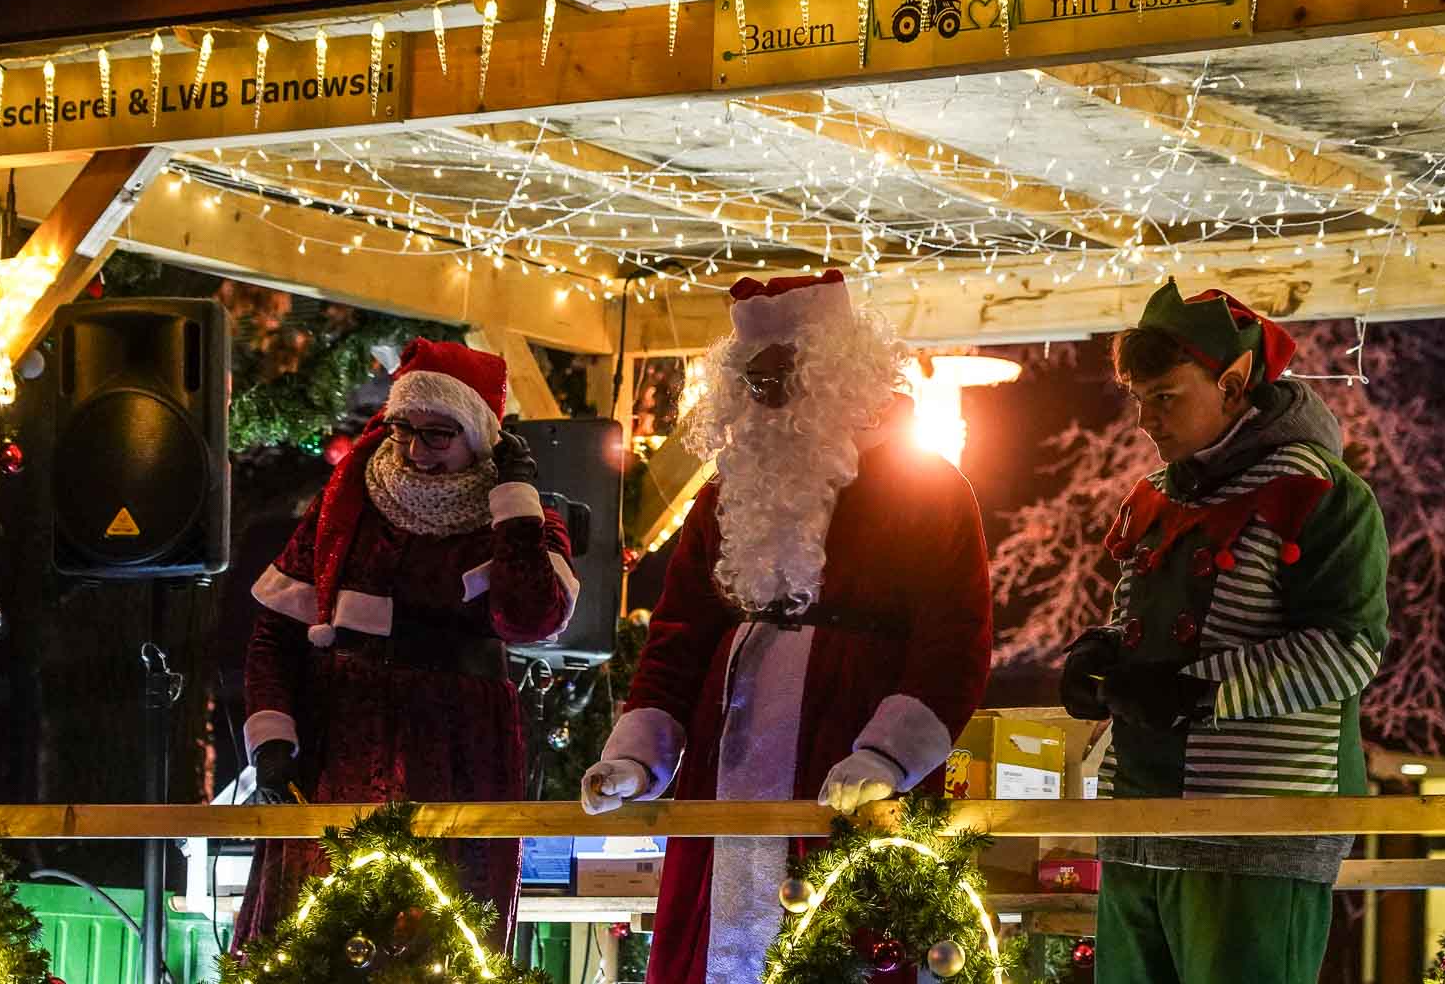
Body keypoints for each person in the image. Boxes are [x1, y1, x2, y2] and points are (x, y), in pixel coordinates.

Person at [579, 270, 993, 984]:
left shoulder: (929, 489)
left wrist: (886, 757)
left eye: (785, 375)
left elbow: (953, 644)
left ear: (839, 371)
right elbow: (678, 641)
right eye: (755, 380)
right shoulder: (722, 496)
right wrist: (637, 760)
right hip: (726, 771)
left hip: (848, 763)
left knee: (852, 944)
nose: (768, 396)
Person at [1059, 279, 1389, 984]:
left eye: (1165, 396)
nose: (1144, 420)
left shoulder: (1320, 493)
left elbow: (1347, 649)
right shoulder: (1155, 496)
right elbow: (1142, 623)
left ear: (1234, 384)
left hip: (1254, 828)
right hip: (1136, 819)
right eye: (1138, 398)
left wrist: (1196, 693)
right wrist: (1103, 652)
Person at [232, 338, 580, 950]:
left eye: (438, 435)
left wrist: (516, 505)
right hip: (340, 745)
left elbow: (529, 618)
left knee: (441, 937)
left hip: (459, 753)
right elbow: (274, 633)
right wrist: (273, 736)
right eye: (404, 430)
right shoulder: (345, 508)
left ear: (482, 438)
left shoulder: (522, 523)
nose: (416, 451)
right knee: (315, 935)